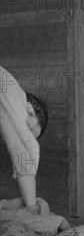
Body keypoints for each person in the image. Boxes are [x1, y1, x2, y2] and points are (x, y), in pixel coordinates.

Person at [0, 66, 48, 214]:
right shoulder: (17, 99)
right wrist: (32, 207)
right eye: (32, 129)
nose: (28, 133)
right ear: (31, 108)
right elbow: (26, 147)